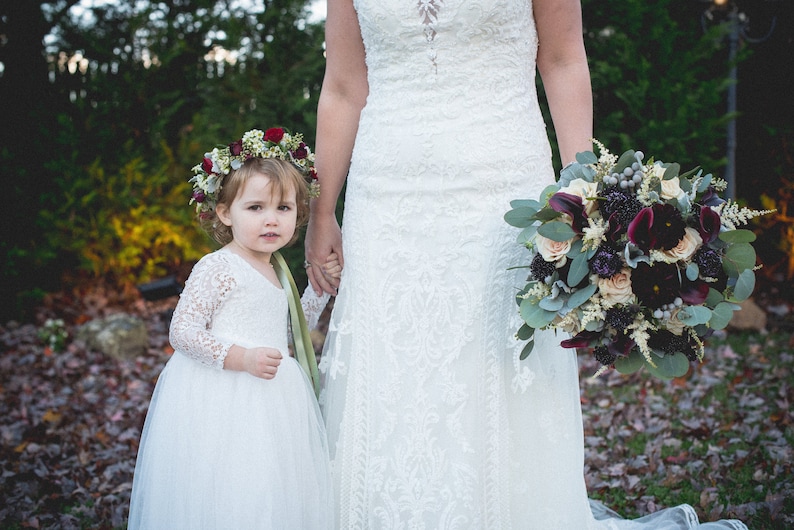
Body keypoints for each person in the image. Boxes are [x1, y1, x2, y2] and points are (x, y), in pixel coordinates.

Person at [304, 1, 748, 529]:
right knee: (392, 351)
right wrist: (321, 209)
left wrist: (585, 189)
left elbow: (562, 59)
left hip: (500, 183)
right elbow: (343, 87)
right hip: (386, 191)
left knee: (496, 355)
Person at [128, 128, 339, 529]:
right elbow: (183, 331)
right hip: (225, 395)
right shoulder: (218, 266)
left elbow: (292, 329)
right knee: (231, 486)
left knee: (270, 487)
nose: (272, 219)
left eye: (284, 208)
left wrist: (319, 289)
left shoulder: (277, 269)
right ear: (226, 213)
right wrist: (241, 358)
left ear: (299, 214)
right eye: (255, 208)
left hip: (274, 396)